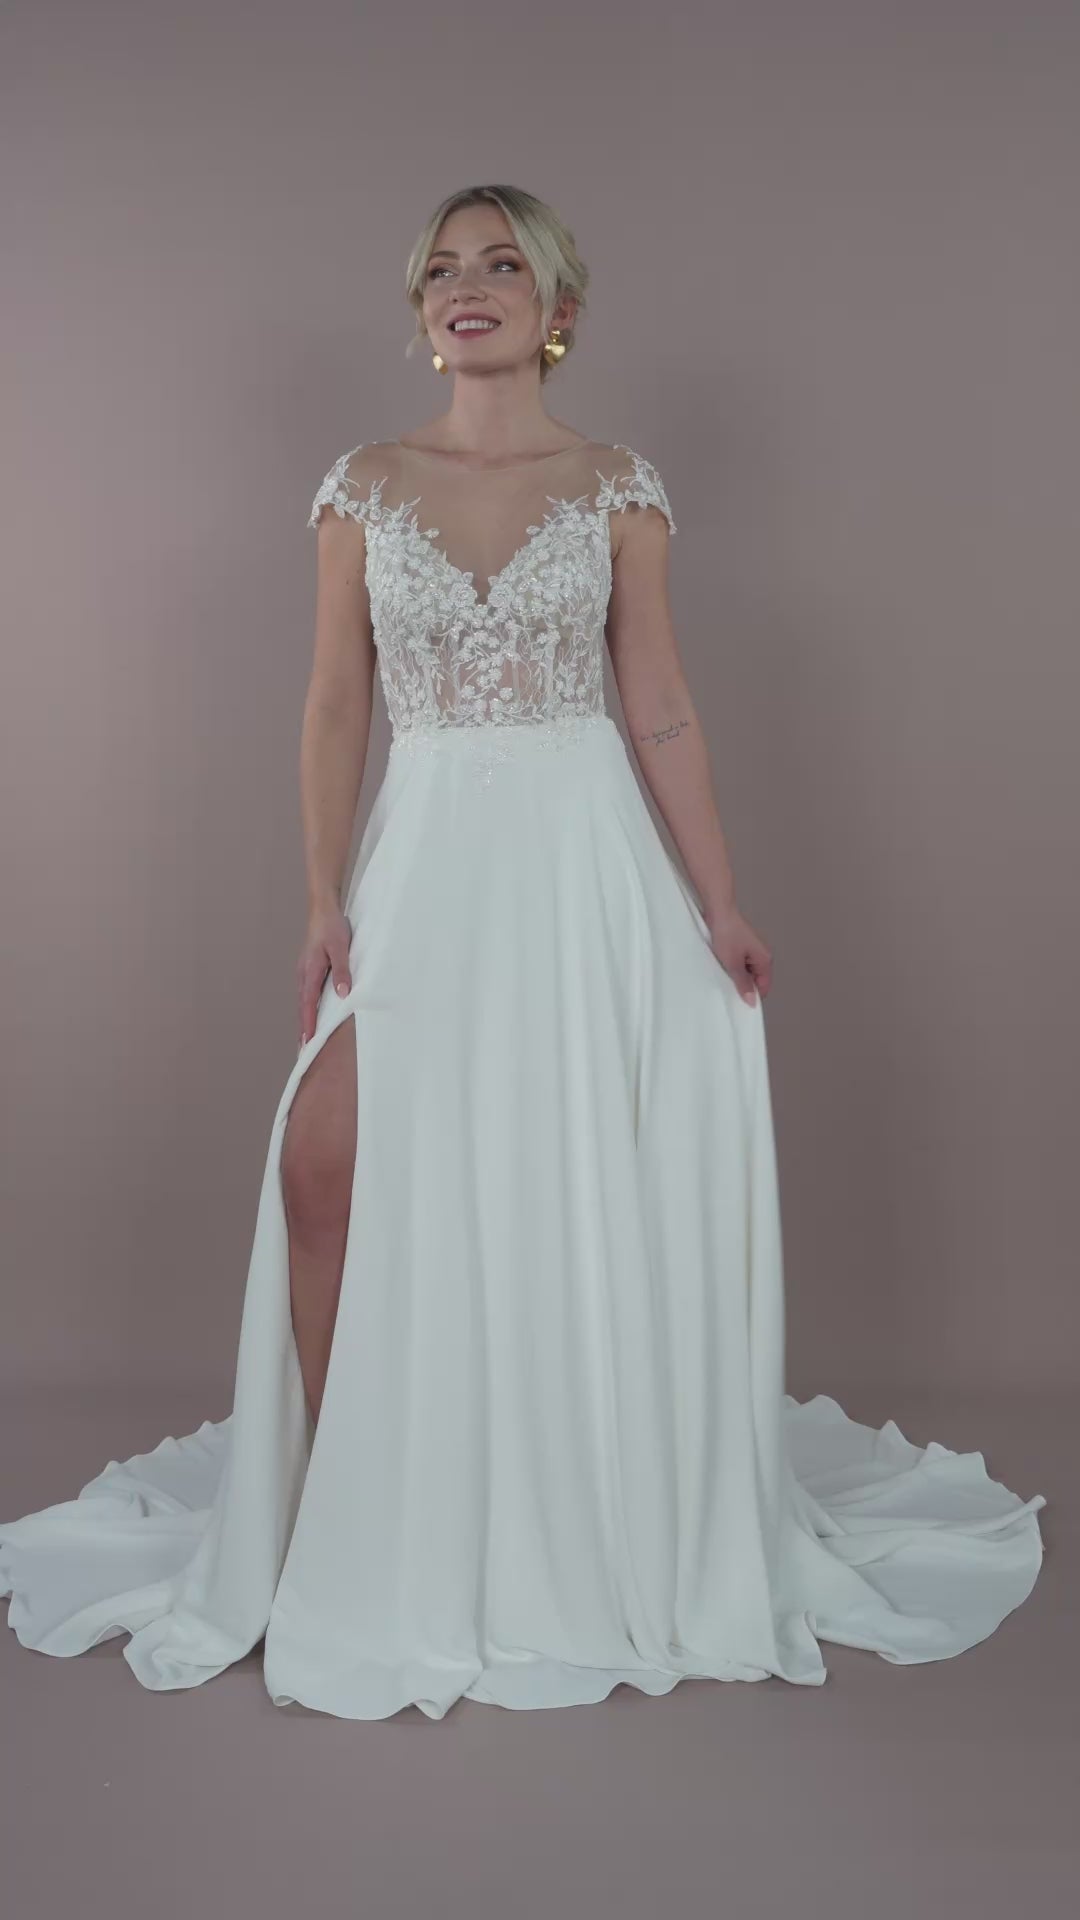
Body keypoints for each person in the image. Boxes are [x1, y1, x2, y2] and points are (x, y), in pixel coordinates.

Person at [0, 184, 1046, 1721]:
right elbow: (336, 704)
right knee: (324, 1161)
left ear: (558, 307)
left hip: (581, 864)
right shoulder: (363, 486)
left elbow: (659, 703)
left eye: (502, 263)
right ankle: (334, 1515)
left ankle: (567, 1519)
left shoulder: (615, 487)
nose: (467, 285)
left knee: (563, 1181)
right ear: (420, 311)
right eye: (443, 268)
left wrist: (721, 900)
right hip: (427, 859)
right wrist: (318, 895)